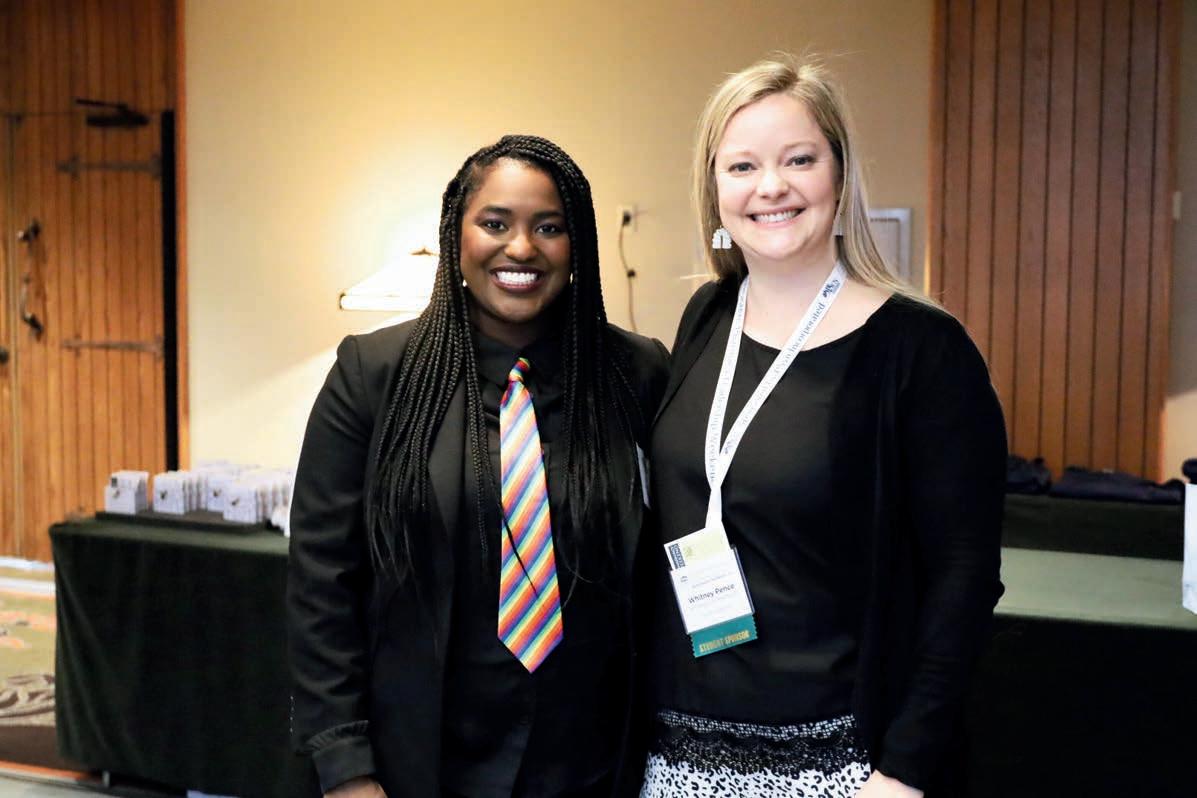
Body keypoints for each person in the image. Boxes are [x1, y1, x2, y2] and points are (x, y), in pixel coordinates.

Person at [641, 57, 1006, 797]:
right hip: (678, 748)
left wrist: (904, 769)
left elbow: (963, 576)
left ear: (839, 175)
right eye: (742, 165)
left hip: (840, 759)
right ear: (714, 190)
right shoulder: (706, 317)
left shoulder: (922, 350)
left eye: (799, 159)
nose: (770, 186)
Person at [287, 135, 670, 798]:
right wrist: (346, 768)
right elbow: (323, 582)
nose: (520, 248)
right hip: (420, 761)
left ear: (577, 244)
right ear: (455, 235)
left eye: (548, 227)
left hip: (589, 760)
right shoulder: (373, 375)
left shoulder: (636, 374)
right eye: (495, 223)